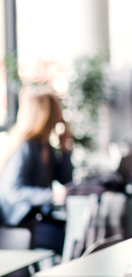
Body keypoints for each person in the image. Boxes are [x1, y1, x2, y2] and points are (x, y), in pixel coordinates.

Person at [0, 85, 73, 254]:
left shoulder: (45, 146)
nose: (60, 114)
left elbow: (66, 179)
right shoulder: (26, 148)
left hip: (35, 218)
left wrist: (65, 148)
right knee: (59, 239)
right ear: (45, 114)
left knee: (68, 235)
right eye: (56, 109)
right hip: (16, 225)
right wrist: (50, 195)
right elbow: (13, 191)